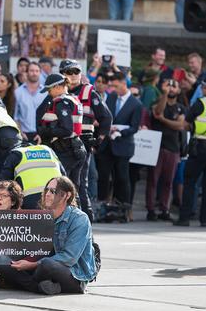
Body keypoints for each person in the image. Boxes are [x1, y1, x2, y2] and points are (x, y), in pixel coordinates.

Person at [0, 177, 96, 294]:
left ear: (66, 195)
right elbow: (34, 248)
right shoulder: (43, 217)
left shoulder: (79, 219)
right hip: (41, 269)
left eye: (53, 191)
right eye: (47, 190)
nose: (47, 194)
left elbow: (69, 258)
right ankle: (40, 287)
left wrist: (32, 265)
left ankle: (26, 284)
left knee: (47, 264)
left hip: (73, 273)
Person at [61, 59, 112, 222]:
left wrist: (99, 139)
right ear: (62, 74)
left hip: (82, 144)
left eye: (77, 71)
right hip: (62, 144)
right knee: (63, 182)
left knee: (81, 184)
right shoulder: (59, 90)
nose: (74, 75)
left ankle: (86, 221)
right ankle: (66, 218)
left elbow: (106, 117)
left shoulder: (88, 91)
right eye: (70, 72)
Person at [175, 76, 206, 227]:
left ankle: (184, 218)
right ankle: (205, 220)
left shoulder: (201, 103)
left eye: (203, 87)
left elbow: (185, 124)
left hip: (200, 148)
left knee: (190, 183)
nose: (202, 90)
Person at [97, 71, 142, 211]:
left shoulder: (136, 104)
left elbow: (134, 127)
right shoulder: (111, 98)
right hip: (107, 145)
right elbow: (105, 117)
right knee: (103, 176)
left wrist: (120, 131)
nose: (113, 89)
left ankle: (124, 208)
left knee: (122, 178)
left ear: (124, 84)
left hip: (123, 145)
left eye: (116, 86)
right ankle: (101, 205)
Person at [37, 73, 86, 190]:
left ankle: (66, 208)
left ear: (57, 87)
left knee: (61, 189)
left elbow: (67, 130)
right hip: (76, 148)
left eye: (49, 90)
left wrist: (46, 131)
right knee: (74, 189)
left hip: (66, 151)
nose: (48, 93)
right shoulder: (73, 99)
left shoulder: (61, 103)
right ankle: (76, 208)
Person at [146, 79, 185, 221]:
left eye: (175, 86)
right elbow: (158, 111)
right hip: (157, 147)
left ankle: (165, 209)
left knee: (168, 182)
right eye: (169, 85)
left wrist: (163, 120)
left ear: (179, 90)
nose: (172, 88)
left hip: (173, 148)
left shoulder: (181, 107)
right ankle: (151, 209)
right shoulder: (158, 101)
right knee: (153, 180)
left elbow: (180, 125)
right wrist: (164, 94)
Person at [0, 143, 65, 209]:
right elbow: (65, 177)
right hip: (58, 199)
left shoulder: (16, 154)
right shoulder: (49, 151)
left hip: (31, 202)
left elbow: (3, 184)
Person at [14, 62, 46, 144]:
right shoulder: (18, 92)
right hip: (24, 135)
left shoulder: (45, 93)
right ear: (27, 72)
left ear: (40, 73)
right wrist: (20, 132)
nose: (34, 73)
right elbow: (15, 116)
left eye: (37, 71)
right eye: (31, 70)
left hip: (42, 135)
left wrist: (42, 134)